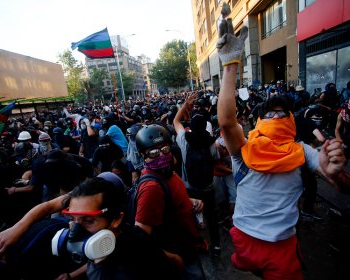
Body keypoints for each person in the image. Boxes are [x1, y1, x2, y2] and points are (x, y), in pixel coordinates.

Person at [216, 3, 346, 279]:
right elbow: (227, 122)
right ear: (259, 122)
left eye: (281, 112)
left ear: (290, 121)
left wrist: (335, 174)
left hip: (282, 249)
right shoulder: (244, 148)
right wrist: (230, 65)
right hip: (244, 240)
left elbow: (340, 183)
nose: (275, 116)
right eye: (268, 113)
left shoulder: (303, 152)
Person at [58, 176, 180, 279]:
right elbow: (175, 258)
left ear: (116, 219)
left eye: (89, 221)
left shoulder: (128, 267)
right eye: (72, 219)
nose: (75, 230)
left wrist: (98, 268)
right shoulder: (119, 236)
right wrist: (72, 275)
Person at [135, 124, 207, 279]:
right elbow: (140, 238)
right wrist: (171, 257)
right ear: (143, 155)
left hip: (190, 246)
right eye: (153, 152)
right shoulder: (151, 187)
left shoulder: (168, 173)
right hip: (180, 256)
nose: (161, 155)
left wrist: (190, 201)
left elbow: (170, 201)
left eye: (165, 149)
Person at [173, 95, 221, 256]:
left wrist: (185, 105)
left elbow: (176, 122)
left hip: (190, 188)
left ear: (191, 126)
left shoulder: (184, 140)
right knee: (211, 217)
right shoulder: (211, 143)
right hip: (208, 186)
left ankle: (197, 244)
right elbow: (215, 159)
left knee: (191, 216)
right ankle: (216, 246)